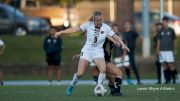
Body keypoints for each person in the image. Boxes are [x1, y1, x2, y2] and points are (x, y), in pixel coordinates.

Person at [55, 10, 129, 96]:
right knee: (80, 73)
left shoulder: (106, 27)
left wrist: (123, 45)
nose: (99, 22)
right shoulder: (88, 25)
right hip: (87, 51)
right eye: (97, 20)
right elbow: (75, 29)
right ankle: (71, 85)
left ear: (103, 19)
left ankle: (99, 87)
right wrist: (61, 32)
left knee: (103, 69)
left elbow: (115, 36)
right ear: (94, 19)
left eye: (100, 20)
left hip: (98, 52)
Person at [157, 17, 177, 84]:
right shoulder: (160, 31)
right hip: (162, 51)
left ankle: (174, 79)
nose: (164, 23)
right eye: (163, 22)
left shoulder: (171, 30)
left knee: (170, 65)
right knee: (164, 65)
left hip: (169, 50)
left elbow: (174, 41)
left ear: (168, 22)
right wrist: (158, 50)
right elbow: (158, 41)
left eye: (165, 22)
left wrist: (174, 49)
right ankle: (167, 80)